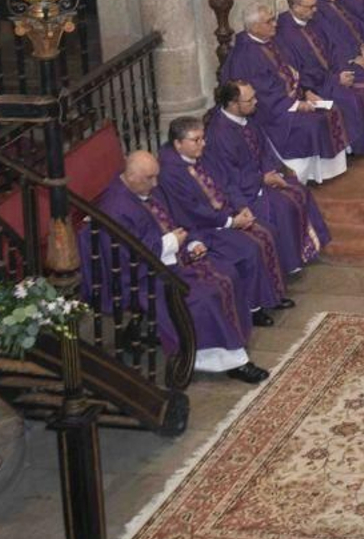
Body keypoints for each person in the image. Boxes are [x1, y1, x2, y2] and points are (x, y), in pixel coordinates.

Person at [86, 151, 268, 382]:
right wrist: (171, 243)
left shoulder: (139, 189)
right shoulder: (115, 209)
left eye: (155, 177)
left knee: (227, 273)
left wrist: (190, 242)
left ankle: (234, 343)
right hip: (142, 277)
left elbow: (168, 221)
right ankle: (224, 360)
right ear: (131, 176)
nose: (155, 184)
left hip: (168, 259)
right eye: (149, 178)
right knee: (204, 297)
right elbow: (127, 255)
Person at [159, 116, 297, 301]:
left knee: (269, 232)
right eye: (196, 140)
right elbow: (193, 209)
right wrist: (231, 222)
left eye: (203, 138)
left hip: (227, 214)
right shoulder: (170, 173)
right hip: (204, 227)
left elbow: (227, 182)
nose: (202, 144)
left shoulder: (203, 156)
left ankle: (272, 295)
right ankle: (255, 306)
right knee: (250, 250)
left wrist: (241, 206)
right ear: (178, 144)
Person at [205, 81, 331, 267]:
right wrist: (262, 180)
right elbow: (227, 177)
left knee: (299, 191)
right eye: (250, 100)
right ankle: (290, 262)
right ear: (232, 104)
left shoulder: (246, 119)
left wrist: (273, 171)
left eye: (255, 96)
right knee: (283, 206)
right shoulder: (219, 135)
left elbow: (263, 150)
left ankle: (308, 250)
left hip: (260, 178)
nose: (256, 102)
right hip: (243, 192)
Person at [220, 4, 349, 183]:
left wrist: (306, 92)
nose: (275, 24)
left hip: (288, 100)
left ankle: (324, 171)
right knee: (311, 122)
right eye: (269, 21)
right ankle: (305, 175)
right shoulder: (246, 56)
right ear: (254, 27)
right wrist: (296, 104)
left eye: (273, 19)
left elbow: (291, 72)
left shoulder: (269, 41)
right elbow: (262, 95)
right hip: (270, 112)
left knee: (330, 109)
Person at [276, 0, 364, 152]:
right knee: (355, 97)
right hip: (316, 87)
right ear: (295, 7)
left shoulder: (311, 20)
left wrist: (342, 70)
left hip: (334, 73)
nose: (315, 10)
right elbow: (299, 71)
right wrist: (335, 79)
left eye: (315, 6)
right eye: (310, 7)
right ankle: (360, 147)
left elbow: (332, 47)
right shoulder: (285, 34)